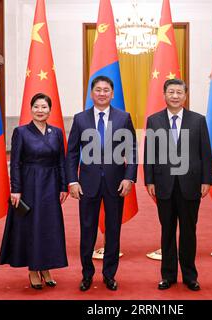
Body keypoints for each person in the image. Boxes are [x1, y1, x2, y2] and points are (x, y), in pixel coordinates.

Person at [66, 75, 137, 291]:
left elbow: (132, 151)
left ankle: (109, 274)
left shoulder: (123, 117)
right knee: (87, 230)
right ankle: (87, 274)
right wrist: (72, 181)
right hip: (87, 184)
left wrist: (129, 177)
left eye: (106, 90)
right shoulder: (80, 119)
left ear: (112, 93)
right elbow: (71, 154)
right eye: (98, 89)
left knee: (113, 230)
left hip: (116, 183)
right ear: (91, 93)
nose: (102, 93)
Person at [144, 79, 212, 291]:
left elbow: (204, 153)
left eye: (179, 92)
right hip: (164, 183)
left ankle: (190, 276)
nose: (175, 96)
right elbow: (150, 153)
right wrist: (149, 180)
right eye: (171, 92)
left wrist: (206, 180)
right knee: (167, 231)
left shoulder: (198, 120)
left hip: (190, 184)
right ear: (164, 95)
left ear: (185, 96)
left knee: (188, 232)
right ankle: (168, 275)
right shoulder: (154, 120)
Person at [0, 93, 69, 290]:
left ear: (50, 110)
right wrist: (16, 190)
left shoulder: (56, 133)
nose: (40, 110)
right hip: (29, 185)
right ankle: (32, 269)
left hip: (51, 185)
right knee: (31, 226)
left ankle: (45, 267)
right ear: (31, 109)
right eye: (36, 107)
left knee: (49, 226)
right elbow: (16, 163)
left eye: (44, 107)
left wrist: (63, 186)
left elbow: (61, 161)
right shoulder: (21, 132)